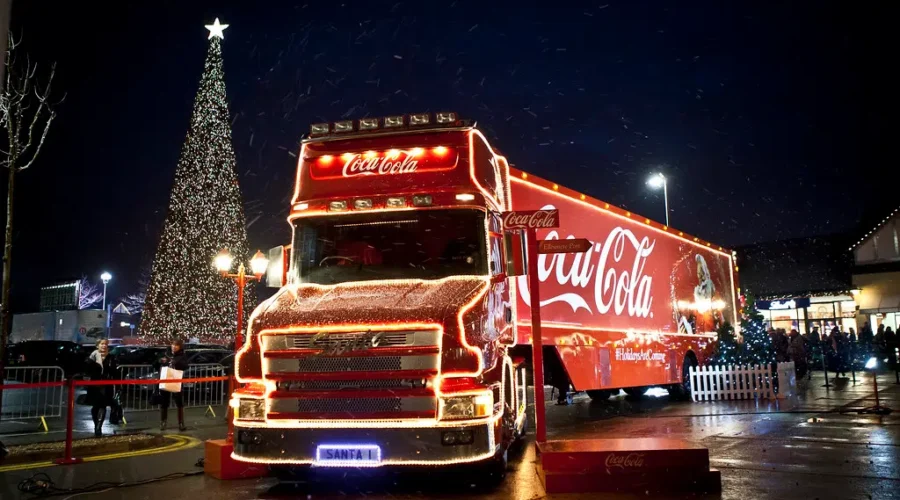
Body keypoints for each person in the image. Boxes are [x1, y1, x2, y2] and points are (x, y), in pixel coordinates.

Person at [85, 339, 118, 437]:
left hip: (106, 385)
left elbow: (114, 372)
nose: (104, 346)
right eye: (102, 344)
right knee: (95, 407)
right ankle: (96, 426)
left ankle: (99, 427)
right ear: (97, 345)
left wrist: (118, 385)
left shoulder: (111, 357)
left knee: (103, 406)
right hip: (94, 384)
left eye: (106, 344)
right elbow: (87, 370)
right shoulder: (92, 357)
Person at [159, 339, 189, 431]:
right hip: (166, 379)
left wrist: (176, 362)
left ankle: (181, 423)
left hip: (177, 380)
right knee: (164, 402)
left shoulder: (182, 355)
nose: (174, 346)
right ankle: (163, 422)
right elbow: (155, 363)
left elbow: (185, 366)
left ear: (180, 347)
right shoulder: (166, 353)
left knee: (179, 402)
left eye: (176, 345)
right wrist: (161, 361)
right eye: (173, 344)